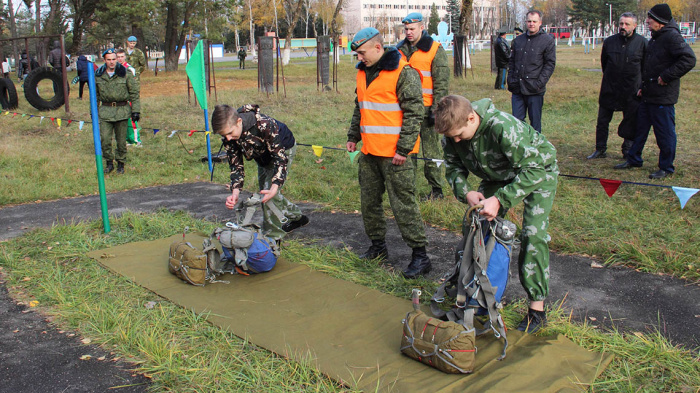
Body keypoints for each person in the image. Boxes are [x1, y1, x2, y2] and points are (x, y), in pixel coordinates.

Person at [435, 94, 559, 333]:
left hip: (537, 171)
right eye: (452, 138)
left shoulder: (502, 127)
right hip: (498, 176)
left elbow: (533, 170)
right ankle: (478, 296)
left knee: (534, 235)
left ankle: (537, 308)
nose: (457, 140)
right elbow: (452, 168)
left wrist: (500, 200)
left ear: (472, 118)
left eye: (460, 135)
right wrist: (466, 192)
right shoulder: (452, 133)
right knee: (477, 228)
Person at [346, 27, 431, 279]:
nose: (359, 58)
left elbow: (415, 112)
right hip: (369, 152)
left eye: (362, 53)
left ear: (378, 48)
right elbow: (360, 106)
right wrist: (353, 136)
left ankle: (420, 256)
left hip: (396, 156)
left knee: (403, 205)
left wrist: (404, 148)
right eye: (357, 55)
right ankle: (378, 247)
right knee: (369, 203)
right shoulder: (363, 72)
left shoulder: (403, 72)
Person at [614, 4, 696, 179]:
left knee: (664, 134)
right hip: (648, 94)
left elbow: (689, 59)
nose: (648, 21)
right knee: (639, 129)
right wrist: (643, 87)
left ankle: (666, 167)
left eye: (651, 19)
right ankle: (634, 158)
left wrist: (666, 76)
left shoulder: (672, 37)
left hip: (663, 97)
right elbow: (650, 66)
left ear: (661, 22)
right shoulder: (655, 38)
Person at [210, 104, 309, 241]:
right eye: (223, 135)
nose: (227, 138)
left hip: (283, 150)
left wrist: (275, 186)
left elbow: (280, 159)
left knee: (269, 194)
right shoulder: (231, 137)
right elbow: (236, 165)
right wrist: (235, 192)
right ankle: (298, 217)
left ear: (239, 122)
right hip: (262, 156)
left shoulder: (264, 125)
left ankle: (272, 239)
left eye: (230, 133)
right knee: (266, 193)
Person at [396, 12, 450, 200]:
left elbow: (441, 83)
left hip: (428, 110)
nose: (409, 32)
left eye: (412, 29)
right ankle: (407, 188)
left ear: (422, 27)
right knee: (407, 149)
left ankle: (437, 190)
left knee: (431, 151)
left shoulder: (435, 49)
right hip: (406, 110)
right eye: (406, 29)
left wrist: (438, 109)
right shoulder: (399, 50)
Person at [587, 13, 647, 161]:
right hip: (610, 88)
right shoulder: (609, 42)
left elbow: (645, 67)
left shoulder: (642, 43)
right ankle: (600, 149)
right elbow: (605, 63)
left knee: (630, 121)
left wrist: (641, 86)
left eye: (627, 24)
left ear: (634, 25)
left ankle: (627, 150)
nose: (623, 27)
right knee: (602, 121)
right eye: (621, 24)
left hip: (631, 90)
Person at [507, 10, 556, 133]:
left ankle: (535, 149)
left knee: (535, 124)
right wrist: (510, 79)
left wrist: (539, 83)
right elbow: (512, 62)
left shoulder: (547, 41)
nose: (531, 24)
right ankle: (520, 148)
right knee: (517, 122)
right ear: (526, 22)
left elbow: (549, 64)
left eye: (534, 21)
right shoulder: (518, 40)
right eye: (529, 21)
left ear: (540, 23)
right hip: (517, 88)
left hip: (535, 89)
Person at [95, 48, 140, 175]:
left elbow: (134, 93)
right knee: (105, 139)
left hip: (122, 111)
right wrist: (93, 111)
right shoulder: (99, 75)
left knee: (121, 141)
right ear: (104, 60)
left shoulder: (125, 73)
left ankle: (121, 163)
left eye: (114, 59)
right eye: (108, 60)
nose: (112, 62)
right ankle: (109, 162)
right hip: (106, 111)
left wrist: (136, 110)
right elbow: (95, 96)